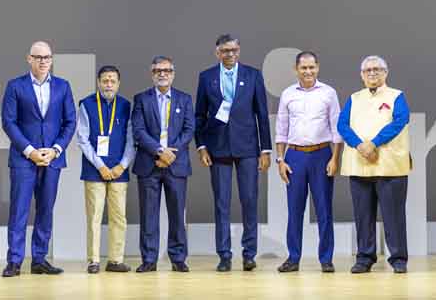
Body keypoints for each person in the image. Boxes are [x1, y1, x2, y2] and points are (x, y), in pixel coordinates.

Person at [194, 34, 272, 272]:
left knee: (249, 200)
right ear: (217, 53)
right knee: (221, 203)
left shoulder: (253, 75)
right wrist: (201, 146)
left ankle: (249, 254)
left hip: (247, 148)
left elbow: (262, 114)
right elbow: (199, 115)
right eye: (226, 51)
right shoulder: (206, 77)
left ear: (239, 50)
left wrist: (265, 149)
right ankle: (224, 255)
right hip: (217, 148)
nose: (230, 54)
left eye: (234, 50)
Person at [0, 41, 76, 277]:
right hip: (24, 159)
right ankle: (14, 261)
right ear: (29, 59)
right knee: (19, 210)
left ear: (51, 59)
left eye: (47, 57)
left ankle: (39, 259)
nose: (43, 61)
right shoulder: (15, 86)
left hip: (52, 159)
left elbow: (70, 122)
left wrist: (55, 150)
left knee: (45, 210)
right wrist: (30, 151)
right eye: (39, 57)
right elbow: (9, 122)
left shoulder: (63, 86)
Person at [337, 55, 411, 274]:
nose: (372, 73)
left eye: (377, 69)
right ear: (361, 75)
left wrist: (374, 143)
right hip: (359, 164)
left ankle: (398, 259)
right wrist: (359, 145)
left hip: (389, 165)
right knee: (363, 216)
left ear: (385, 73)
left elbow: (400, 121)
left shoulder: (396, 96)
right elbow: (342, 124)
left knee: (394, 216)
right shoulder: (354, 98)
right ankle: (364, 258)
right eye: (368, 70)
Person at [274, 51, 343, 273]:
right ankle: (293, 258)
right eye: (303, 68)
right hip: (294, 156)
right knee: (294, 210)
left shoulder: (329, 93)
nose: (308, 71)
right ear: (296, 69)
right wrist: (280, 160)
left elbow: (337, 129)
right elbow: (281, 129)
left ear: (318, 68)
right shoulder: (287, 94)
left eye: (311, 67)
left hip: (322, 155)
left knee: (324, 210)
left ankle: (326, 259)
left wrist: (335, 158)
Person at [131, 56, 194, 273]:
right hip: (149, 163)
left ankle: (178, 258)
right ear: (152, 74)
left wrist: (170, 153)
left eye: (166, 70)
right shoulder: (141, 99)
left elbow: (189, 129)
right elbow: (138, 130)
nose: (162, 74)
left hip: (176, 163)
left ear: (173, 74)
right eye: (158, 70)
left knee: (177, 214)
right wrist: (159, 151)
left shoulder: (184, 99)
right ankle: (149, 259)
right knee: (148, 214)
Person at [75, 65, 135, 274]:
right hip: (95, 171)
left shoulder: (126, 106)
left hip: (119, 170)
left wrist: (123, 165)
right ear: (98, 82)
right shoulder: (86, 104)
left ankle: (115, 260)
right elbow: (82, 139)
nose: (109, 84)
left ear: (118, 84)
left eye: (112, 81)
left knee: (119, 217)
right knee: (94, 217)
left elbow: (131, 140)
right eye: (105, 81)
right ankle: (93, 260)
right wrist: (100, 165)